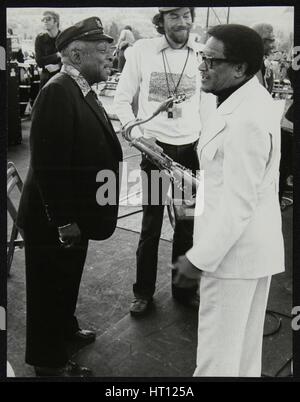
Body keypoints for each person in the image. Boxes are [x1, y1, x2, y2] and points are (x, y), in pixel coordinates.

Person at [173, 24, 284, 377]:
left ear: (239, 68)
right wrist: (199, 201)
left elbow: (238, 205)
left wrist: (197, 259)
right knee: (242, 358)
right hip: (250, 251)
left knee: (217, 362)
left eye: (210, 60)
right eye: (201, 57)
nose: (201, 67)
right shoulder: (250, 99)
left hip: (232, 257)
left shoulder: (245, 119)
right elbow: (244, 183)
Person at [17, 16, 123, 377]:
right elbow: (48, 164)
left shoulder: (80, 88)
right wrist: (63, 221)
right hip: (55, 219)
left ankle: (65, 329)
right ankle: (48, 362)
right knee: (48, 287)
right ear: (76, 53)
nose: (111, 57)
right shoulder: (59, 90)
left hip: (72, 217)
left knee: (66, 280)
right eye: (103, 51)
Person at [114, 7, 215, 316]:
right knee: (151, 225)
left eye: (186, 15)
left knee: (187, 226)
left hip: (191, 151)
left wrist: (207, 147)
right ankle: (143, 292)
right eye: (174, 16)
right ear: (161, 21)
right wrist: (137, 134)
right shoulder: (142, 50)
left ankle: (184, 291)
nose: (182, 22)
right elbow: (121, 99)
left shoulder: (202, 53)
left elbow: (208, 105)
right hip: (156, 153)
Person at [35, 10, 62, 88]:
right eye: (43, 19)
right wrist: (57, 55)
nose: (45, 21)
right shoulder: (40, 38)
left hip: (62, 75)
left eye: (48, 19)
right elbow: (39, 61)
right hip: (46, 76)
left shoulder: (64, 37)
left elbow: (70, 59)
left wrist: (58, 66)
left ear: (56, 21)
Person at [252, 23, 276, 93]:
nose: (273, 46)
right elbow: (259, 92)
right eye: (271, 41)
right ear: (261, 41)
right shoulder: (254, 63)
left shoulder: (261, 61)